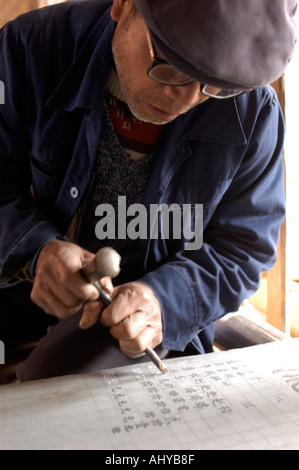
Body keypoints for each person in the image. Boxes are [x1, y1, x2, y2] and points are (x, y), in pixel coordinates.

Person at [0, 0, 297, 381]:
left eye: (215, 86)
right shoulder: (27, 49)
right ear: (124, 6)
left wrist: (164, 302)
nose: (186, 100)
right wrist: (36, 250)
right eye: (169, 65)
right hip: (14, 296)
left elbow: (243, 248)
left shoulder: (252, 110)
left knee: (61, 398)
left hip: (141, 332)